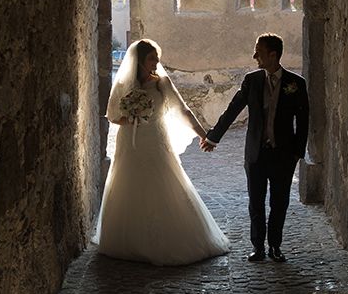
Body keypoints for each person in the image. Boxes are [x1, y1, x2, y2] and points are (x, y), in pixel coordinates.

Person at [95, 39, 229, 266]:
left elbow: (182, 110)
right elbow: (112, 115)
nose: (156, 62)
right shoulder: (124, 85)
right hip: (130, 142)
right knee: (129, 185)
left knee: (162, 183)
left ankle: (165, 241)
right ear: (140, 61)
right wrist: (131, 118)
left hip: (156, 140)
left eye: (157, 58)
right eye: (151, 58)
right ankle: (130, 241)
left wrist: (203, 134)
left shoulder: (162, 84)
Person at [201, 33, 308, 262]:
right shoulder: (252, 81)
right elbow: (233, 109)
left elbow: (304, 120)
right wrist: (213, 137)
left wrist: (297, 153)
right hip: (256, 154)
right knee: (256, 202)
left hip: (283, 154)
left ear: (273, 54)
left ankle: (275, 247)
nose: (254, 56)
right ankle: (258, 247)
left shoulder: (296, 84)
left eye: (258, 51)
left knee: (280, 203)